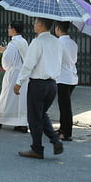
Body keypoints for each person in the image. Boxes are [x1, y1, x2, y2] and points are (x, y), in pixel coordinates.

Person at [14, 17, 63, 159]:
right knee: (41, 114)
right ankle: (55, 139)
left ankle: (37, 148)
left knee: (34, 117)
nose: (33, 25)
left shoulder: (37, 42)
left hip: (38, 83)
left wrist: (19, 82)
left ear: (41, 25)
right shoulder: (56, 42)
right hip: (52, 84)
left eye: (35, 22)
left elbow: (28, 64)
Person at [0, 20, 29, 132]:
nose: (8, 29)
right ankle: (21, 123)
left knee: (6, 97)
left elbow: (7, 63)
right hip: (23, 74)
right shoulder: (24, 42)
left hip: (13, 74)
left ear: (13, 29)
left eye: (9, 27)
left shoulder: (13, 44)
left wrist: (2, 52)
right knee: (21, 99)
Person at [55, 21, 78, 141]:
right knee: (64, 105)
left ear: (58, 28)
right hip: (72, 77)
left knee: (65, 107)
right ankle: (62, 128)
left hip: (62, 78)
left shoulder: (58, 43)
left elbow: (56, 60)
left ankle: (67, 132)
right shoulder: (72, 43)